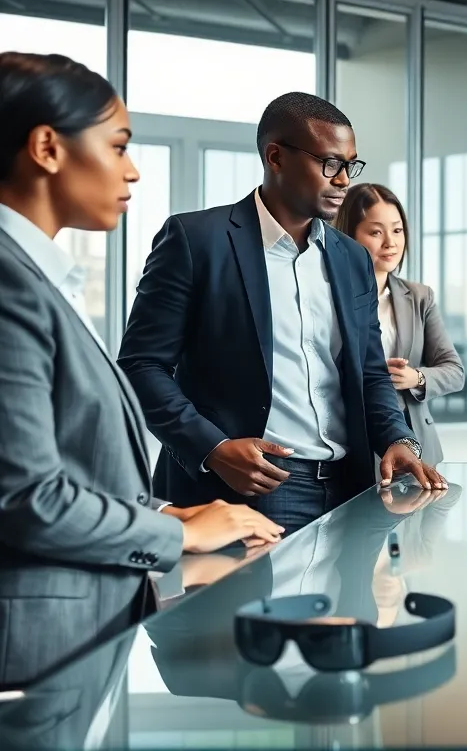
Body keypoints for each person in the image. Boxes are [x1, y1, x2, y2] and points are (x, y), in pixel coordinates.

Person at [0, 52, 282, 689]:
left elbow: (68, 460)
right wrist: (168, 530)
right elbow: (25, 499)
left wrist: (170, 513)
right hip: (38, 648)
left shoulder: (39, 279)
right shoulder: (10, 286)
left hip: (80, 628)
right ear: (46, 147)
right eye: (119, 146)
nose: (132, 170)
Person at [119, 92, 445, 536]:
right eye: (330, 163)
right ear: (276, 157)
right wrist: (213, 447)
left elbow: (370, 372)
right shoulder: (197, 241)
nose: (344, 179)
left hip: (350, 486)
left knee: (344, 609)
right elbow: (141, 365)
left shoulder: (351, 259)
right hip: (249, 488)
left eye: (351, 164)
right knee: (238, 610)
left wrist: (398, 439)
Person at [333, 183, 464, 467]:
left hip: (414, 441)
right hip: (352, 440)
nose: (390, 243)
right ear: (348, 235)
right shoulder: (330, 297)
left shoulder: (419, 297)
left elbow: (454, 371)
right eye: (376, 232)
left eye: (397, 230)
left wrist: (416, 378)